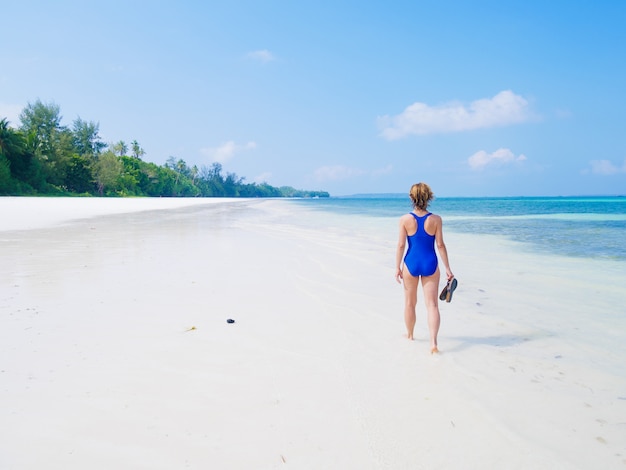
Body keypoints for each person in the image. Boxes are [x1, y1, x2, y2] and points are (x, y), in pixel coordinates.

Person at [395, 182, 454, 353]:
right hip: (430, 263)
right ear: (429, 197)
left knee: (409, 303)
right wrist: (448, 269)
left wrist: (397, 267)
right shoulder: (436, 220)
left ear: (411, 197)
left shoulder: (405, 219)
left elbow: (400, 245)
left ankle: (410, 335)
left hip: (411, 263)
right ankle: (433, 344)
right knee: (432, 306)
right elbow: (440, 245)